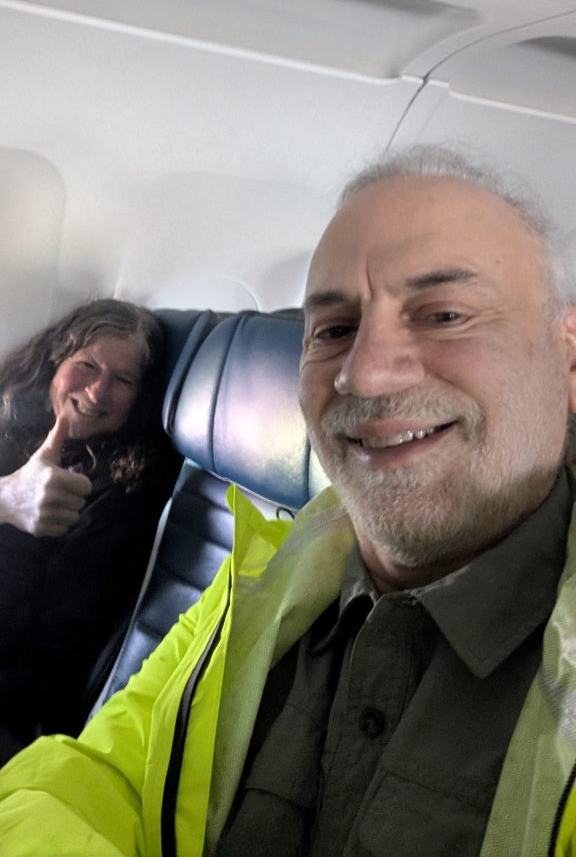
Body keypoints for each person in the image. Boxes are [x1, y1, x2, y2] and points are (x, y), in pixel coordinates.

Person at [0, 148, 575, 857]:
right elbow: (99, 779)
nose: (365, 373)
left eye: (445, 314)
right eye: (333, 330)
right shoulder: (254, 583)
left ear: (569, 360)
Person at [0, 298, 179, 763]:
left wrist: (24, 535)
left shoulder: (124, 493)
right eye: (86, 366)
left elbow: (49, 656)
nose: (97, 393)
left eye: (122, 380)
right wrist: (8, 500)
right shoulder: (9, 423)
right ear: (56, 360)